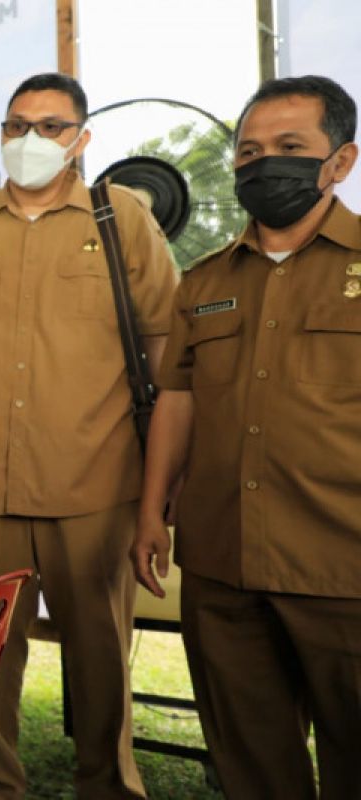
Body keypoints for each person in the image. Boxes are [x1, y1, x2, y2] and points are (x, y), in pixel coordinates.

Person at [0, 72, 178, 799]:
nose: (31, 140)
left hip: (95, 486)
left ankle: (110, 789)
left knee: (100, 667)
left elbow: (164, 347)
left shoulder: (120, 217)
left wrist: (165, 481)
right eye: (16, 125)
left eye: (51, 126)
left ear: (82, 139)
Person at [133, 75, 361, 800]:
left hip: (343, 570)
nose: (266, 164)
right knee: (253, 770)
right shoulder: (202, 282)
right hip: (222, 565)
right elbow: (178, 398)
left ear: (341, 160)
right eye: (250, 150)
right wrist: (150, 510)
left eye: (291, 147)